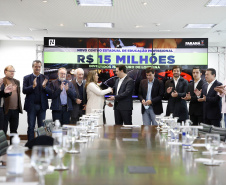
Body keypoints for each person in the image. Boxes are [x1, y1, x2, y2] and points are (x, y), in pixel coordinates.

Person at [23, 60, 52, 141]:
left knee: (41, 127)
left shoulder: (45, 78)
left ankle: (40, 143)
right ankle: (31, 144)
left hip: (42, 107)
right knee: (31, 126)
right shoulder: (27, 78)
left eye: (39, 66)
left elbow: (50, 93)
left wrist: (44, 87)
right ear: (32, 67)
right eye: (36, 66)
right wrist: (33, 86)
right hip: (31, 106)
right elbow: (24, 90)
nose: (37, 68)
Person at [3, 65, 23, 136]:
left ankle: (13, 146)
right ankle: (3, 147)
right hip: (5, 110)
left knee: (14, 131)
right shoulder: (2, 81)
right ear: (5, 72)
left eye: (13, 71)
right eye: (10, 71)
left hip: (15, 110)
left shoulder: (17, 82)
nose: (12, 73)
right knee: (3, 130)